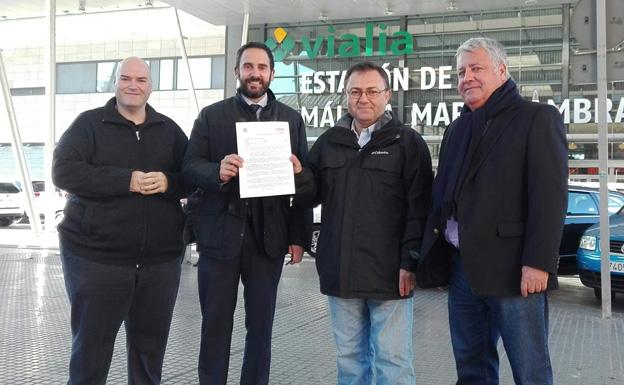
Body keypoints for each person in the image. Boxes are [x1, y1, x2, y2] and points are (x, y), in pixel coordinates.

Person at [418, 37, 568, 385]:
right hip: (462, 270)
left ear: (502, 71)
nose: (466, 77)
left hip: (515, 271)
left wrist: (539, 263)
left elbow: (549, 197)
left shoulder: (537, 118)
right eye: (461, 72)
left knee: (529, 371)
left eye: (476, 68)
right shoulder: (457, 128)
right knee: (471, 370)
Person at [293, 62, 433, 385]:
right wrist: (300, 175)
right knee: (350, 362)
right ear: (346, 96)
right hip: (341, 274)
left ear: (387, 95)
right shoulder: (329, 142)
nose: (363, 99)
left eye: (372, 91)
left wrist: (410, 261)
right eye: (355, 91)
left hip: (391, 277)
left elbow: (419, 208)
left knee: (393, 363)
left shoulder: (407, 143)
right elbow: (311, 194)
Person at [52, 57, 189, 385]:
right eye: (126, 78)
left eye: (141, 80)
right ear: (115, 83)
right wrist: (124, 180)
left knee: (149, 352)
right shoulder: (88, 125)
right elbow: (64, 171)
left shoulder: (168, 130)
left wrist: (169, 182)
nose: (133, 85)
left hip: (159, 263)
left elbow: (193, 174)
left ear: (150, 87)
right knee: (91, 352)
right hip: (97, 260)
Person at [181, 41, 311, 385]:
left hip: (268, 241)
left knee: (261, 329)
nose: (255, 74)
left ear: (271, 73)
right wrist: (216, 172)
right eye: (248, 67)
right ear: (237, 71)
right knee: (215, 327)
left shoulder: (291, 120)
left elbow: (304, 185)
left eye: (262, 67)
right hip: (219, 238)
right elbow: (189, 167)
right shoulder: (212, 116)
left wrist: (298, 236)